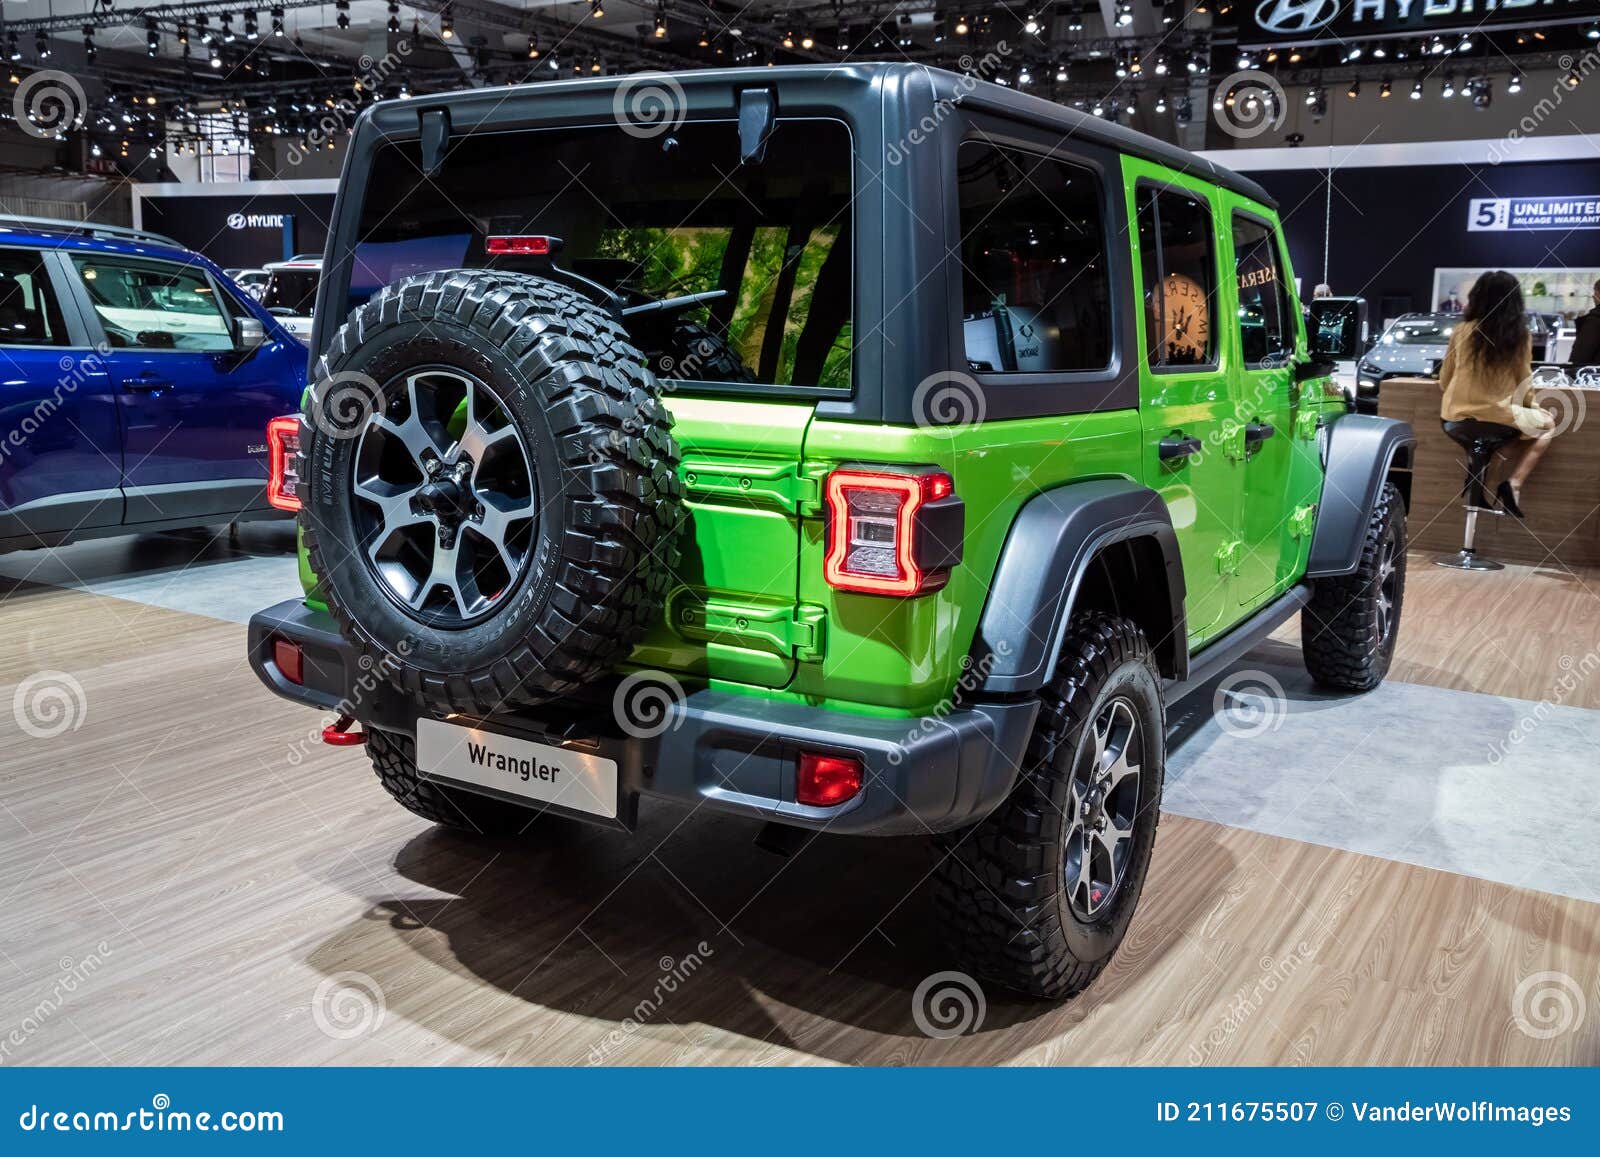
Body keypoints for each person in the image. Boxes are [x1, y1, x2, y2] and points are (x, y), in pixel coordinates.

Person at [1437, 270, 1557, 518]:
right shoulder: (1520, 336)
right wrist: (1534, 409)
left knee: (1490, 439)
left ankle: (1476, 481)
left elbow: (1444, 380)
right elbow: (1524, 383)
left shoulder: (1462, 330)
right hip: (1498, 417)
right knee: (1547, 426)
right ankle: (1511, 485)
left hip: (1453, 418)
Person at [1568, 277, 1600, 369]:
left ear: (1597, 294)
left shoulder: (1594, 321)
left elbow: (1580, 358)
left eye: (1595, 292)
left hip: (1593, 379)